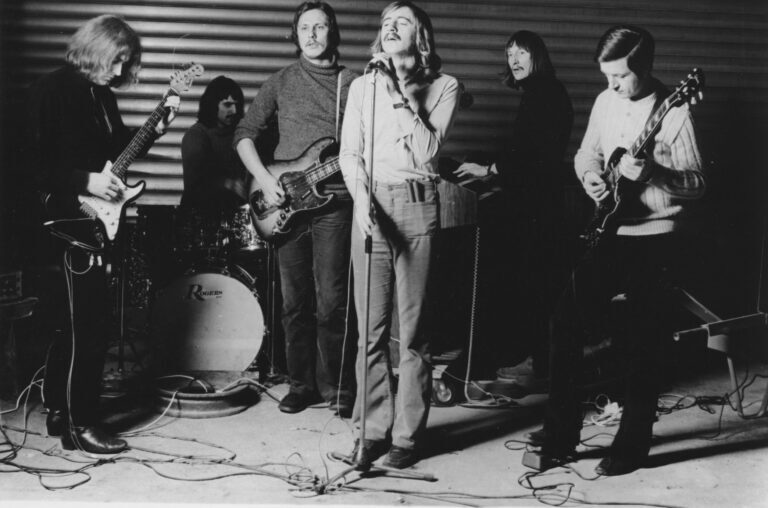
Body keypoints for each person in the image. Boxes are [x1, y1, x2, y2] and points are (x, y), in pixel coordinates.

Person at [524, 25, 705, 476]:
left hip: (658, 236)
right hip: (611, 230)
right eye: (607, 76)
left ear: (645, 67)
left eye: (621, 76)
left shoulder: (675, 112)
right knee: (564, 320)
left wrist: (655, 174)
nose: (612, 85)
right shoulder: (606, 101)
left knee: (642, 338)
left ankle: (632, 445)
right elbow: (586, 154)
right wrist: (590, 178)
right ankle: (561, 434)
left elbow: (698, 184)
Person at [25, 14, 178, 453]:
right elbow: (26, 163)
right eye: (116, 60)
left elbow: (114, 156)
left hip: (91, 222)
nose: (119, 70)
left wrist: (153, 132)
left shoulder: (102, 96)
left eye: (126, 62)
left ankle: (60, 411)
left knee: (74, 323)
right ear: (94, 49)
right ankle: (83, 425)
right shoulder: (49, 90)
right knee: (86, 326)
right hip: (64, 222)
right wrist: (84, 181)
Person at [339, 0, 460, 469]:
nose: (390, 27)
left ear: (420, 36)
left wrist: (394, 91)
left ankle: (407, 438)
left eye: (402, 22)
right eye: (386, 22)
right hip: (370, 205)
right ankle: (372, 432)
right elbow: (350, 153)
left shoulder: (444, 86)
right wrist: (361, 198)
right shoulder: (361, 86)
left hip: (416, 204)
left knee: (412, 332)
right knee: (369, 331)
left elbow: (427, 150)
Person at [234, 1, 357, 417]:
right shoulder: (281, 81)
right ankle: (301, 386)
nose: (312, 34)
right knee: (293, 303)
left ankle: (338, 387)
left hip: (335, 200)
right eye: (305, 27)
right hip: (284, 202)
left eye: (320, 26)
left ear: (332, 33)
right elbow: (245, 133)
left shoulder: (354, 83)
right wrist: (265, 179)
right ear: (295, 34)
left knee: (333, 302)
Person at [454, 30, 573, 391]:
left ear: (538, 56)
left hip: (541, 208)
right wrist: (488, 167)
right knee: (527, 285)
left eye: (522, 52)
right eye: (509, 54)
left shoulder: (546, 93)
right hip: (534, 203)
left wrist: (489, 170)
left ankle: (534, 363)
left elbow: (534, 155)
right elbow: (523, 151)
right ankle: (525, 359)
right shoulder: (537, 93)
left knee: (533, 285)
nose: (514, 60)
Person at [181, 75, 248, 213]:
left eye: (236, 105)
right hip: (200, 215)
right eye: (227, 105)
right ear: (212, 104)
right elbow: (194, 184)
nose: (234, 111)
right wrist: (229, 184)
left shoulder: (240, 133)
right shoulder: (196, 135)